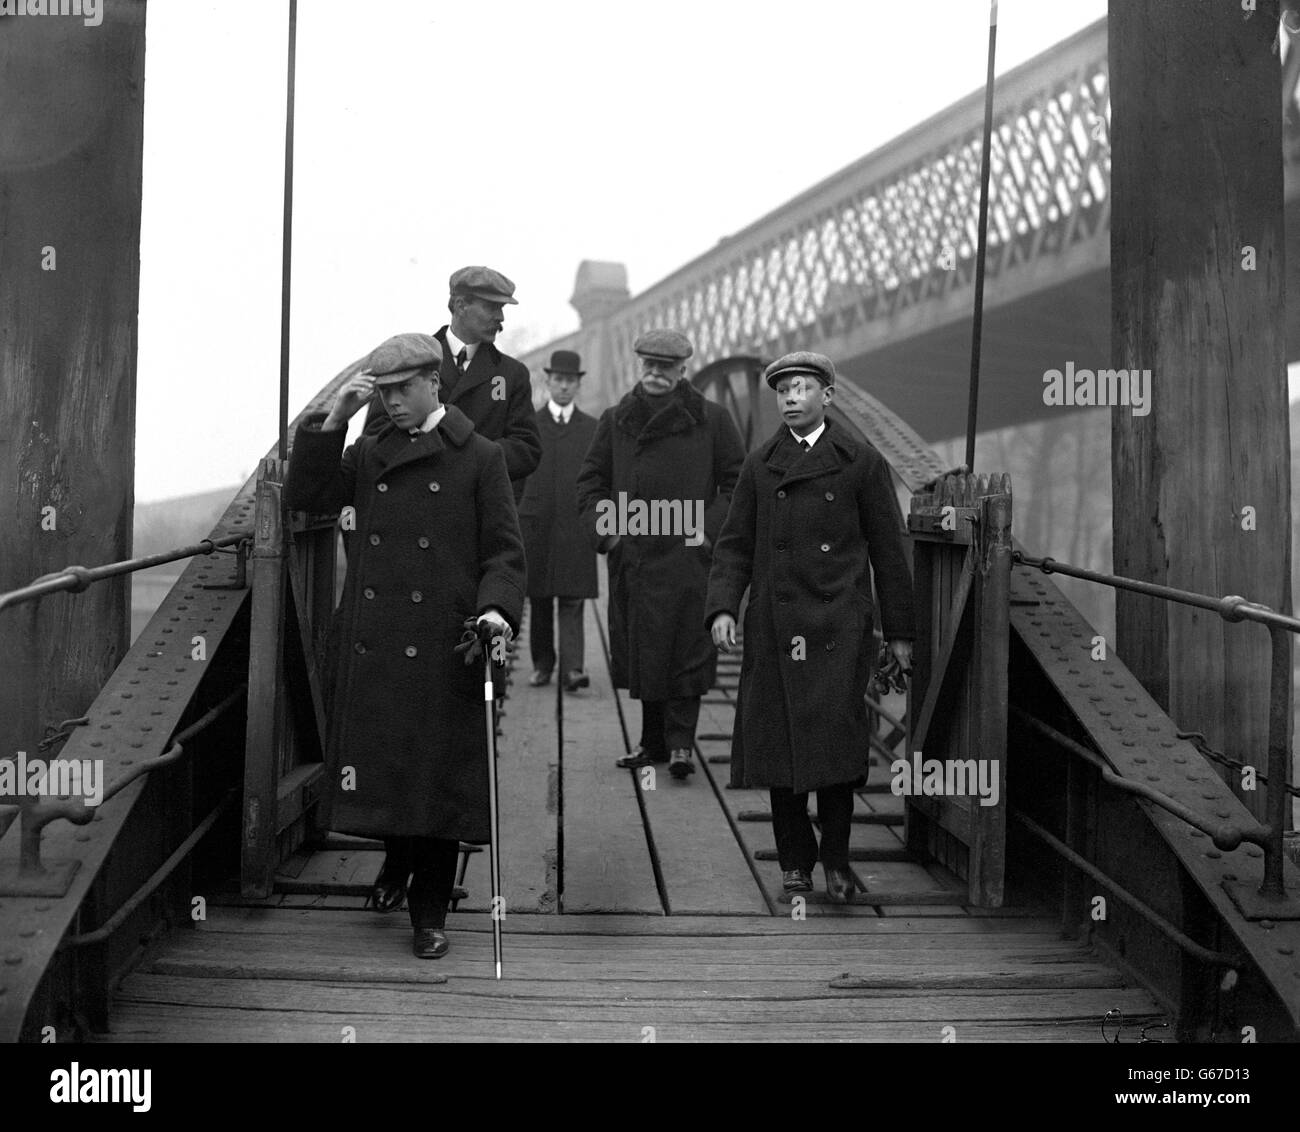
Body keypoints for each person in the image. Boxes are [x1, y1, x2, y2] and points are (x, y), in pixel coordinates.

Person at [284, 332, 525, 958]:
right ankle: (396, 865)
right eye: (382, 393)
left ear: (433, 383)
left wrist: (495, 608)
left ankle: (429, 914)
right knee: (393, 768)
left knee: (437, 779)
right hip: (378, 640)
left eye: (401, 391)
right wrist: (334, 420)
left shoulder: (481, 456)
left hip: (447, 642)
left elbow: (503, 551)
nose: (390, 403)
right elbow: (307, 496)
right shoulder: (368, 451)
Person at [704, 351, 915, 903]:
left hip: (839, 623)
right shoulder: (760, 464)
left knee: (838, 750)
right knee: (780, 748)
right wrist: (724, 607)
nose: (791, 398)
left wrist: (900, 633)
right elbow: (733, 545)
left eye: (802, 387)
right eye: (783, 390)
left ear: (829, 396)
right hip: (775, 625)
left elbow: (890, 553)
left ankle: (837, 860)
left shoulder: (861, 463)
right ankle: (796, 863)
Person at [576, 328, 746, 781]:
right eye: (648, 365)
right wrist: (608, 533)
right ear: (639, 365)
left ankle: (680, 747)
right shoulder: (615, 420)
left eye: (665, 367)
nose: (655, 373)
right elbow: (590, 483)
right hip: (635, 556)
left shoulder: (711, 419)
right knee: (644, 648)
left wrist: (706, 533)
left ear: (682, 370)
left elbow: (736, 482)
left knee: (687, 650)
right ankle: (651, 743)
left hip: (687, 554)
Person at [363, 266, 541, 501]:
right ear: (460, 305)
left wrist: (470, 461)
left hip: (480, 509)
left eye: (502, 308)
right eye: (491, 307)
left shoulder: (512, 373)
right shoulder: (406, 360)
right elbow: (376, 434)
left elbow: (526, 448)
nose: (500, 317)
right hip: (413, 503)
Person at [519, 349, 599, 691]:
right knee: (539, 597)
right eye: (558, 380)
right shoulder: (529, 426)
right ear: (548, 382)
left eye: (570, 381)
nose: (564, 387)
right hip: (537, 523)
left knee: (572, 597)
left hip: (574, 523)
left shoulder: (591, 428)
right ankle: (542, 665)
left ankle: (573, 669)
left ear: (578, 385)